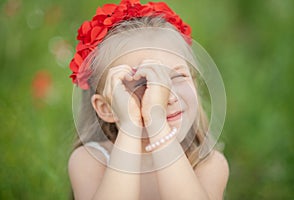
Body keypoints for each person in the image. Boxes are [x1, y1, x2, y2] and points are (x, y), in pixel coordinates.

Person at [68, 0, 229, 199]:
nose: (167, 97)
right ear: (107, 107)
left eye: (177, 77)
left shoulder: (209, 165)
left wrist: (157, 125)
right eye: (143, 84)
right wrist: (130, 127)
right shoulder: (90, 161)